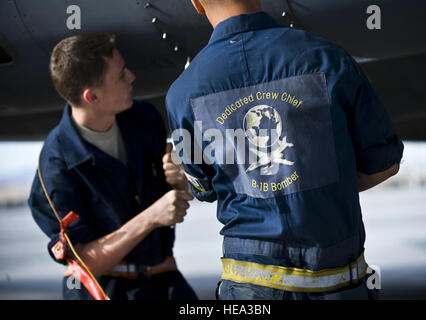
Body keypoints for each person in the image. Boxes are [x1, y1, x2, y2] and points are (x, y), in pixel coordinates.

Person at [165, 0, 404, 300]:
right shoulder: (328, 58)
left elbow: (204, 188)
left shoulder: (182, 93)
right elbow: (385, 163)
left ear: (197, 3)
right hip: (339, 284)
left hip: (249, 291)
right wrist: (314, 182)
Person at [28, 34, 197, 300]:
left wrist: (181, 177)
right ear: (92, 96)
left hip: (164, 283)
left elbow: (175, 195)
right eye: (120, 75)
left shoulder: (144, 119)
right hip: (105, 291)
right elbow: (84, 261)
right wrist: (151, 217)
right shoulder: (55, 166)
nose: (131, 77)